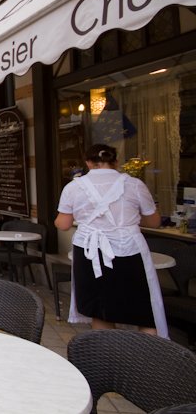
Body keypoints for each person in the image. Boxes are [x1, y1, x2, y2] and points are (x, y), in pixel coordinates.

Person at [54, 144, 166, 337]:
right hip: (128, 249)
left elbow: (63, 224)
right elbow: (154, 221)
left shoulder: (73, 187)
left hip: (90, 251)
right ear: (116, 162)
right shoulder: (134, 184)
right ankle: (149, 360)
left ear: (88, 163)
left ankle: (110, 358)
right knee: (143, 309)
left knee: (101, 308)